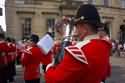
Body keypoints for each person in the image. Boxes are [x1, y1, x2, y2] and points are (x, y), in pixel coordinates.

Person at [45, 4, 111, 83]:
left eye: (77, 27)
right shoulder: (105, 46)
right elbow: (106, 72)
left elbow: (54, 80)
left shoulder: (79, 51)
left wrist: (49, 66)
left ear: (85, 28)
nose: (75, 32)